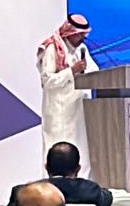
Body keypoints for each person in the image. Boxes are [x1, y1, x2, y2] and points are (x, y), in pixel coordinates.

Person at [37, 14, 98, 175]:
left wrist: (83, 70)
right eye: (80, 35)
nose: (82, 38)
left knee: (81, 151)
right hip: (59, 113)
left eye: (84, 35)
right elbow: (47, 80)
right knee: (58, 152)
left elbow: (95, 71)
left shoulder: (81, 49)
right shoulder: (52, 48)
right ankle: (54, 187)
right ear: (70, 33)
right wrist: (72, 71)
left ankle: (80, 183)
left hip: (79, 110)